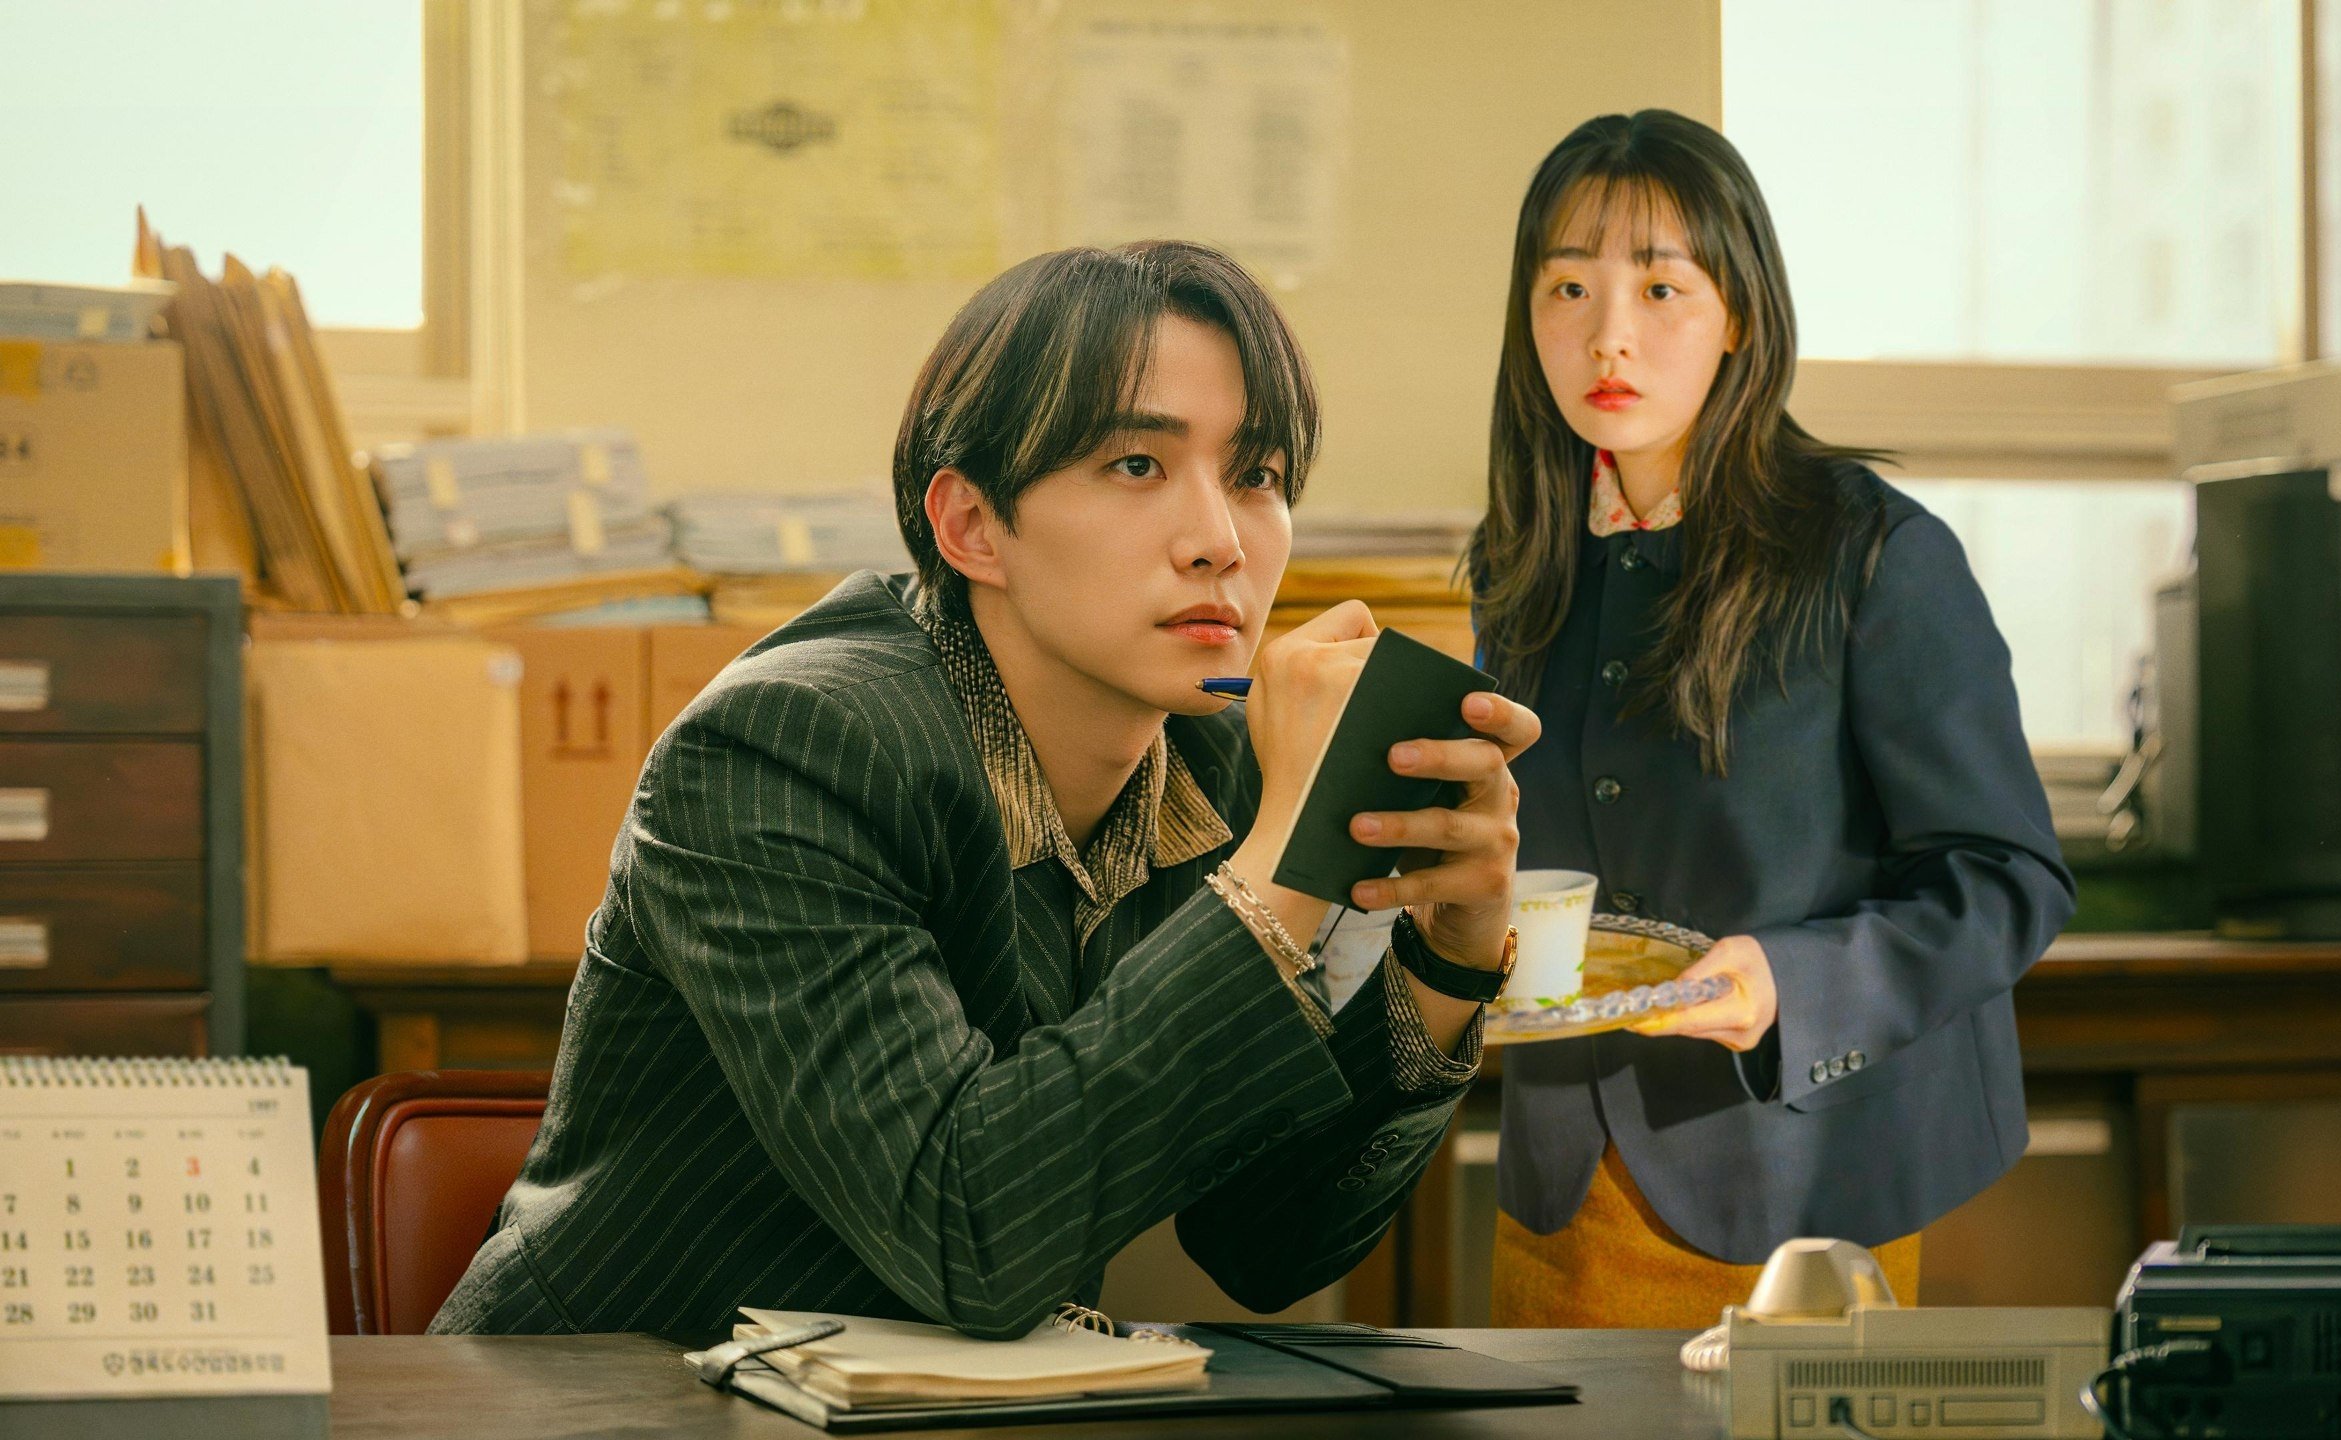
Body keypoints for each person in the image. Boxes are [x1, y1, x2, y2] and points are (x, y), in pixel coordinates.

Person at [432, 240, 1540, 1339]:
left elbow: (1267, 1244)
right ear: (970, 527)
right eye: (1137, 466)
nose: (1219, 541)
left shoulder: (1214, 766)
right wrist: (1283, 871)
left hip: (931, 1411)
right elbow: (969, 1234)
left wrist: (1446, 955)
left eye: (1255, 476)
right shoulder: (779, 751)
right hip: (611, 1394)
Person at [1465, 110, 2075, 1326]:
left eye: (1660, 289)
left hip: (1796, 1191)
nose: (1607, 335)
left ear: (1738, 313)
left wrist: (1793, 979)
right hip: (1555, 1183)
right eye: (1568, 288)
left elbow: (2009, 879)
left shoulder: (1873, 552)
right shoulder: (1522, 558)